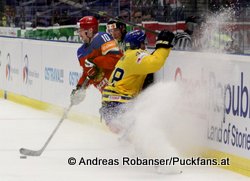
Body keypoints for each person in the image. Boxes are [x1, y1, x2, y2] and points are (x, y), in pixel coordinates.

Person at [100, 29, 175, 133]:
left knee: (127, 135)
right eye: (143, 43)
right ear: (138, 44)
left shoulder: (128, 56)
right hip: (120, 104)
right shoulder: (135, 55)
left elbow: (146, 61)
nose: (145, 46)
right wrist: (163, 45)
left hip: (109, 105)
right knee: (142, 130)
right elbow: (155, 63)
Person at [70, 16, 123, 105]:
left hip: (120, 89)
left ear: (90, 30)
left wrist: (95, 62)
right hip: (106, 95)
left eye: (81, 30)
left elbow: (117, 59)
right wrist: (80, 87)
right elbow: (88, 72)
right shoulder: (81, 52)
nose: (79, 33)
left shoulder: (102, 38)